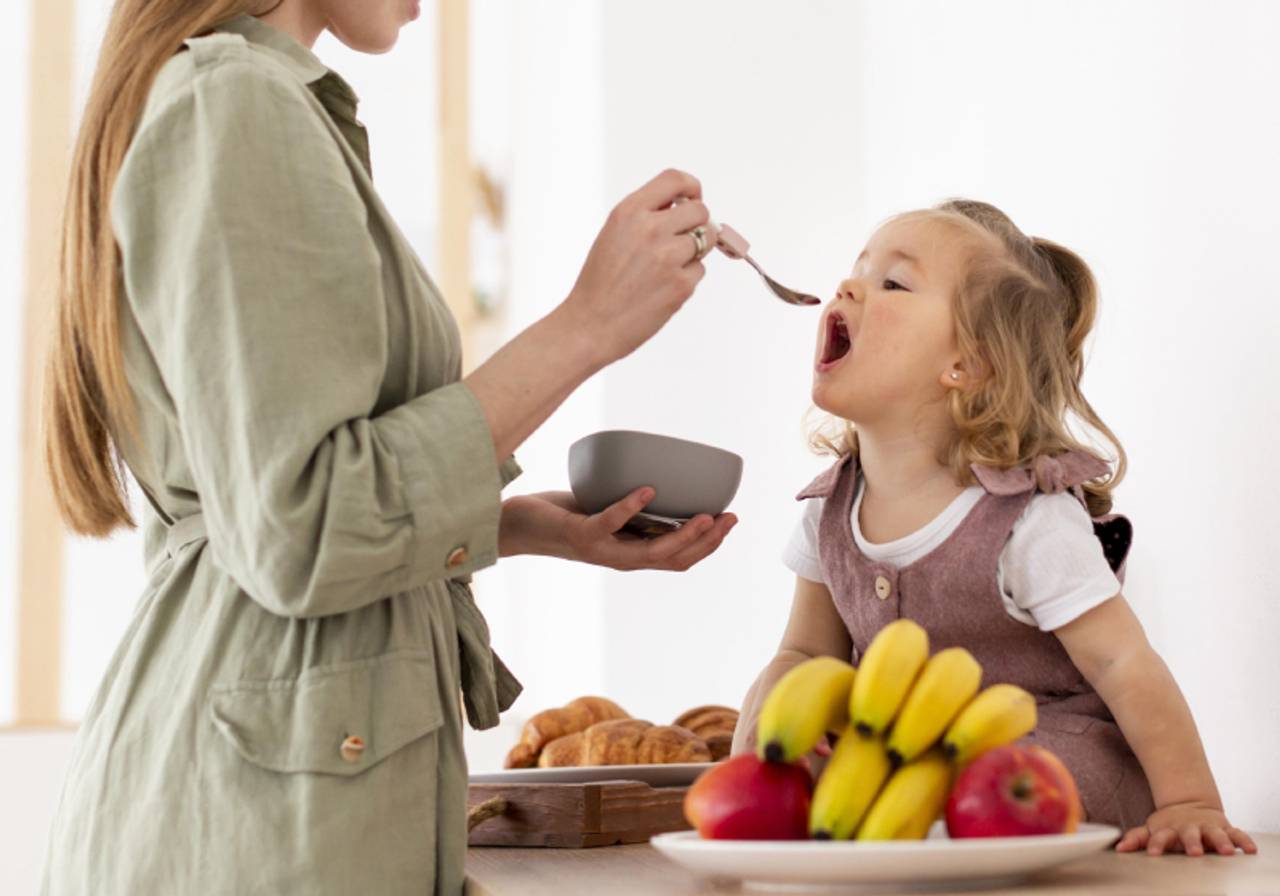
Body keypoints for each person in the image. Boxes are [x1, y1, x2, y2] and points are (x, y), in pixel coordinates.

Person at [40, 1, 736, 892]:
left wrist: (522, 526)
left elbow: (288, 507)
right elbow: (301, 524)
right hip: (257, 822)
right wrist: (586, 326)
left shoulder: (254, 104)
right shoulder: (235, 103)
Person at [732, 199, 1257, 857]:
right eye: (858, 270)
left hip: (1046, 757)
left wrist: (1189, 802)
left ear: (968, 364)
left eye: (892, 282)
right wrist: (771, 728)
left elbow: (1123, 662)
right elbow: (809, 651)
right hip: (901, 759)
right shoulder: (828, 509)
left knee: (1005, 775)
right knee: (802, 734)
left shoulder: (1027, 520)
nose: (848, 287)